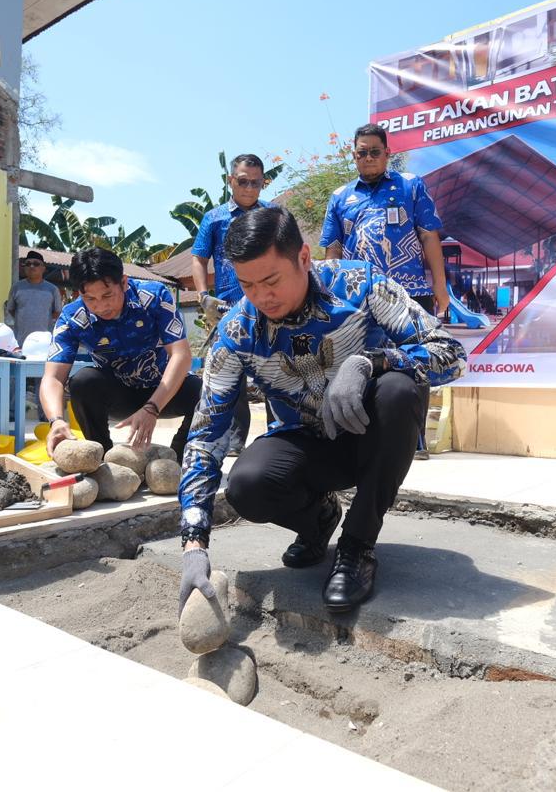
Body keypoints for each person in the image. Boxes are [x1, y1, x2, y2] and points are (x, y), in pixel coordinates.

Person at [177, 206, 465, 615]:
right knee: (247, 486)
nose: (261, 297)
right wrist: (193, 543)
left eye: (271, 280)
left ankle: (357, 547)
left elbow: (451, 354)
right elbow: (206, 435)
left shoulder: (360, 284)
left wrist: (373, 361)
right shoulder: (236, 331)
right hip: (307, 443)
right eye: (247, 285)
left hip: (372, 435)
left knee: (399, 391)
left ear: (304, 257)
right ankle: (319, 520)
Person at [321, 124, 452, 457]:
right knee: (362, 364)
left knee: (414, 365)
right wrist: (329, 296)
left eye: (374, 152)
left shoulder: (411, 185)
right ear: (354, 155)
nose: (368, 158)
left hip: (409, 295)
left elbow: (429, 237)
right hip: (360, 298)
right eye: (361, 152)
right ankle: (368, 438)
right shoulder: (340, 197)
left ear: (387, 154)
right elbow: (332, 251)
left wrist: (440, 286)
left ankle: (414, 441)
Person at [41, 248, 201, 459]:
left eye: (108, 295)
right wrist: (56, 420)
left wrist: (152, 408)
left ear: (124, 283)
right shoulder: (73, 317)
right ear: (80, 294)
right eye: (91, 299)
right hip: (119, 393)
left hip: (164, 390)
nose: (101, 306)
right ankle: (101, 457)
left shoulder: (153, 297)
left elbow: (181, 355)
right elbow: (53, 377)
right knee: (83, 381)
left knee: (206, 392)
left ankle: (178, 459)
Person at [191, 153, 272, 452]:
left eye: (256, 183)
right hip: (227, 309)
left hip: (269, 306)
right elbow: (198, 259)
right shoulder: (213, 218)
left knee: (274, 370)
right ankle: (236, 440)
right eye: (242, 181)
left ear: (263, 183)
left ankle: (280, 433)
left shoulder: (273, 216)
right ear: (230, 181)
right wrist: (202, 297)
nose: (249, 188)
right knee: (231, 375)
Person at [4, 250, 62, 343]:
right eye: (28, 264)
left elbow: (57, 311)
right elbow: (11, 309)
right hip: (20, 342)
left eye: (36, 264)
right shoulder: (16, 288)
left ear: (43, 268)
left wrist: (41, 318)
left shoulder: (52, 289)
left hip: (44, 342)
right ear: (24, 268)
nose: (31, 266)